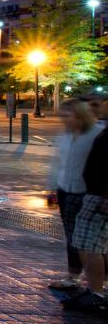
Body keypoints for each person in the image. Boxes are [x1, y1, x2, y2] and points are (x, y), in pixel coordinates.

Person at [47, 100, 103, 291]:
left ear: (80, 115)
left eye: (67, 115)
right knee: (72, 236)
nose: (62, 119)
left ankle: (97, 283)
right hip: (65, 190)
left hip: (87, 192)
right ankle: (74, 275)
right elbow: (57, 163)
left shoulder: (97, 135)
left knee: (89, 241)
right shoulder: (64, 136)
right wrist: (52, 189)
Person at [62, 118, 108, 312]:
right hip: (96, 193)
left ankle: (96, 293)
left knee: (89, 243)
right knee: (95, 243)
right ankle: (97, 292)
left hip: (100, 195)